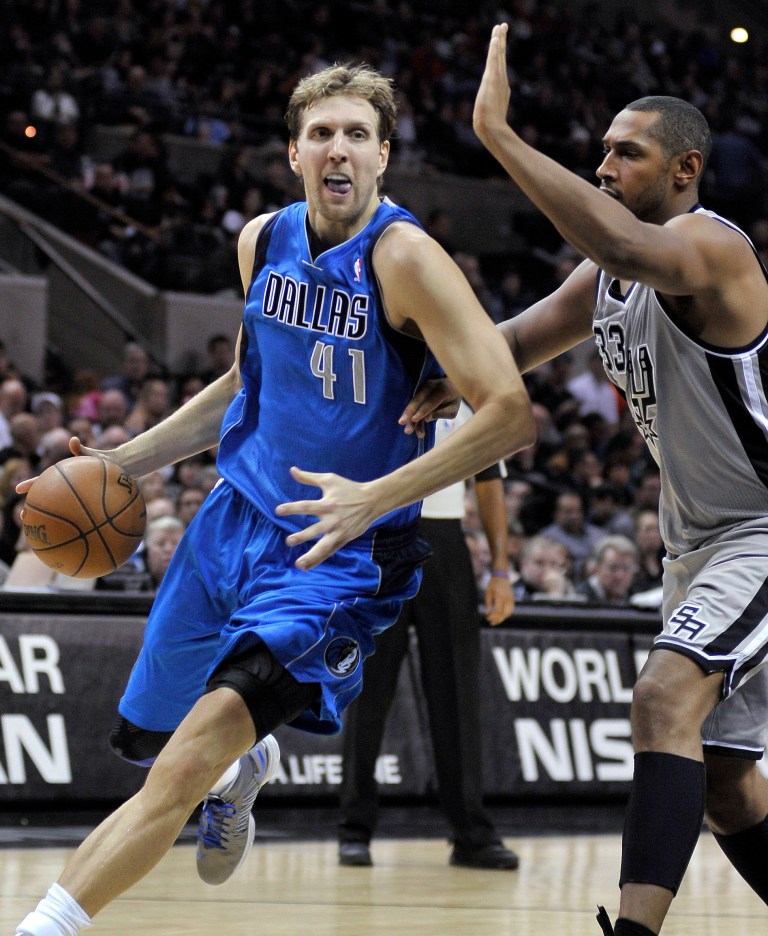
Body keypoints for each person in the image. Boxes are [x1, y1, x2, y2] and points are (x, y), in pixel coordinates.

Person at [14, 60, 534, 936]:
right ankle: (246, 762)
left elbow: (512, 412)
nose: (340, 150)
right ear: (294, 153)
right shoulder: (261, 239)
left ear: (384, 156)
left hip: (337, 556)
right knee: (149, 737)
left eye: (358, 135)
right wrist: (126, 460)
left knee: (175, 770)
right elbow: (241, 384)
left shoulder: (405, 259)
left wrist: (376, 496)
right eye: (323, 134)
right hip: (229, 524)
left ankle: (46, 926)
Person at [472, 23, 768, 936]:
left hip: (762, 530)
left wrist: (502, 136)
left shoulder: (710, 249)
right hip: (696, 543)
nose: (603, 166)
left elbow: (631, 250)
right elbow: (515, 343)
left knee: (661, 697)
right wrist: (445, 366)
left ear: (683, 171)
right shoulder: (604, 274)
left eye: (625, 153)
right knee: (721, 781)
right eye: (599, 150)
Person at [338, 402, 518, 870]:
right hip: (377, 535)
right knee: (367, 689)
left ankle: (471, 833)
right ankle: (353, 828)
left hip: (445, 540)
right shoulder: (376, 374)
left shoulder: (470, 385)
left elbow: (489, 479)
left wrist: (500, 568)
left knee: (457, 691)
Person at [577, 534, 639, 605]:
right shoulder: (580, 599)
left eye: (626, 569)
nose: (619, 576)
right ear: (597, 568)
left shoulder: (636, 598)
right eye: (613, 568)